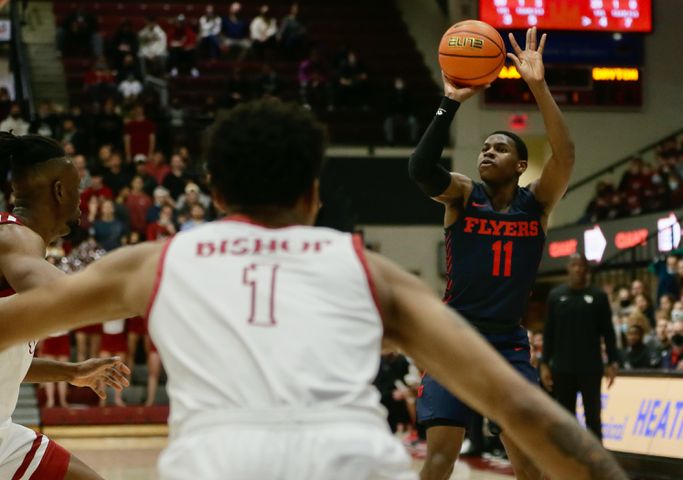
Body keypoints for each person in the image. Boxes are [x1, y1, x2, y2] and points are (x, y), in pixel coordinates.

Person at [0, 100, 626, 480]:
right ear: (313, 196)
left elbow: (15, 321)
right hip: (350, 463)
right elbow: (520, 407)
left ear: (215, 194)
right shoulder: (370, 271)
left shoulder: (156, 263)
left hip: (219, 464)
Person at [408, 28, 575, 480]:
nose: (487, 151)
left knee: (530, 464)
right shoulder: (463, 194)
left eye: (499, 148)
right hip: (455, 339)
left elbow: (565, 154)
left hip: (507, 343)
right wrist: (451, 102)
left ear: (521, 165)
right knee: (441, 457)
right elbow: (421, 169)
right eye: (484, 147)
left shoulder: (536, 203)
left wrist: (538, 87)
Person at [0, 132, 130, 479]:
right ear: (60, 191)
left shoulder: (20, 242)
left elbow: (9, 364)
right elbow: (52, 293)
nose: (81, 202)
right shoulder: (13, 236)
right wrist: (139, 289)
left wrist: (73, 372)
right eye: (78, 190)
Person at [541, 254, 619, 441]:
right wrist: (544, 363)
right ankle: (569, 462)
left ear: (587, 270)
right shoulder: (555, 296)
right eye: (574, 265)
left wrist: (612, 361)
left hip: (590, 367)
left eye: (582, 265)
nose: (578, 269)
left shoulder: (598, 297)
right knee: (566, 418)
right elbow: (548, 332)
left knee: (593, 416)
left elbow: (608, 332)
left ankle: (598, 463)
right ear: (568, 268)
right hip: (562, 367)